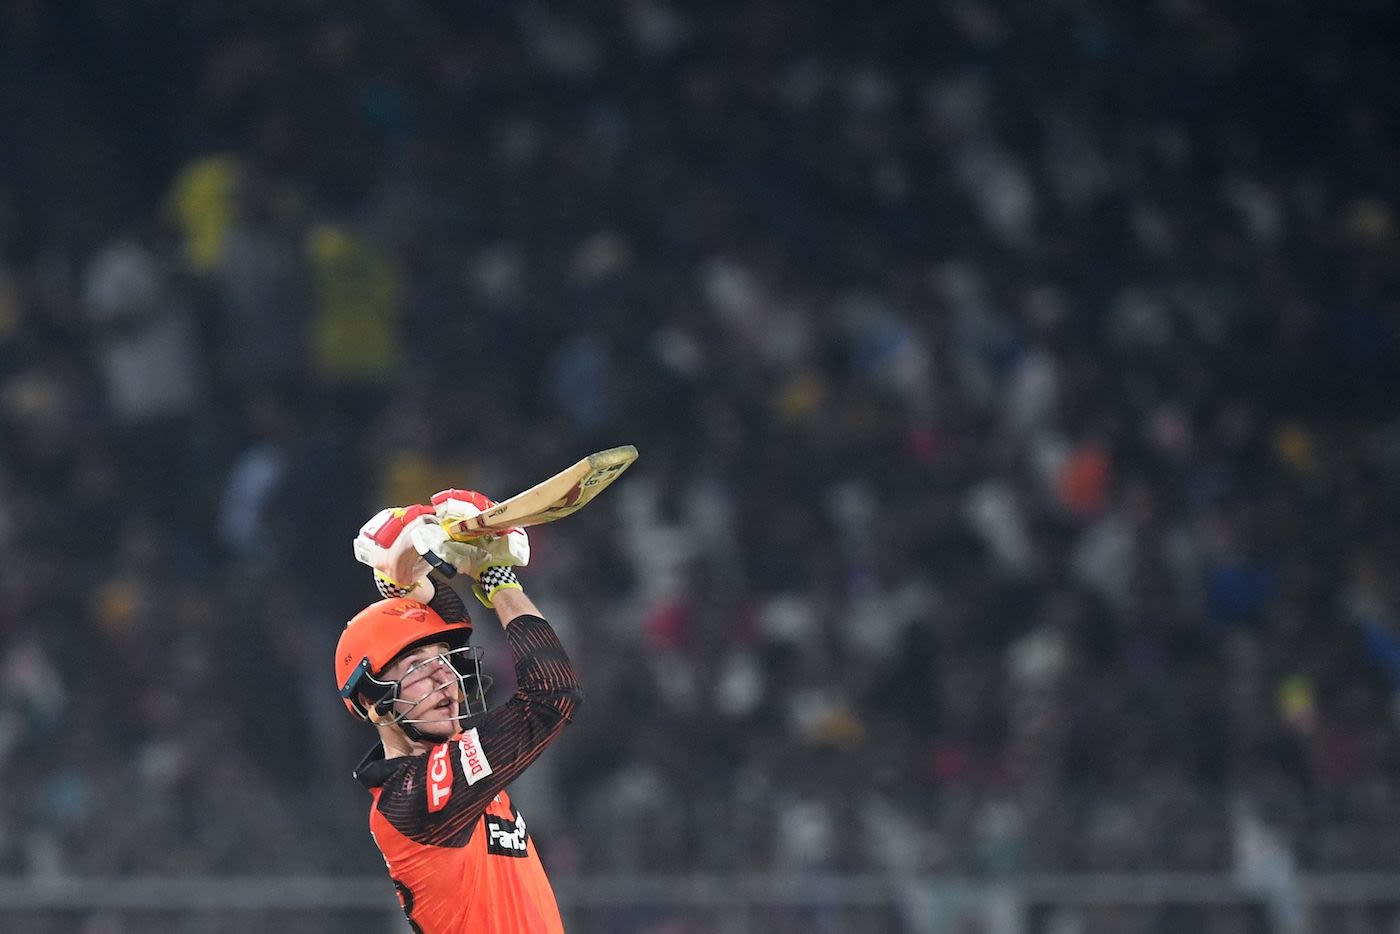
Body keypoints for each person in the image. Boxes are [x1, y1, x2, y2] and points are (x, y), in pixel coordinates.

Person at [334, 489, 583, 933]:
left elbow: (444, 612)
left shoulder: (451, 764)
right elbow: (552, 694)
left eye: (445, 664)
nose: (444, 679)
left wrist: (402, 575)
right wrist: (499, 580)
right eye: (418, 668)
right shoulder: (412, 800)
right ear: (373, 702)